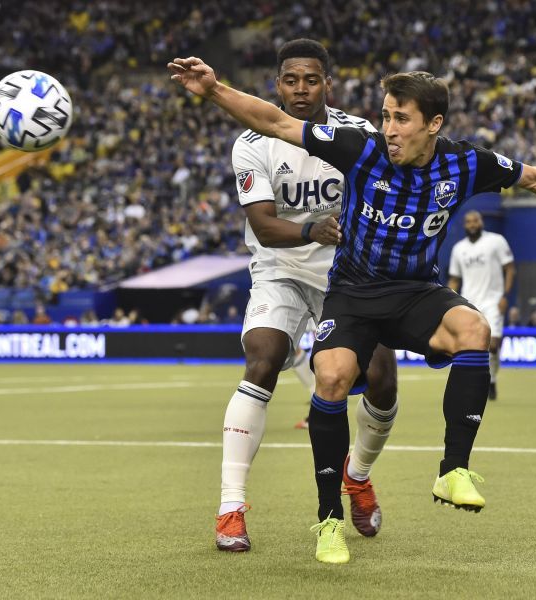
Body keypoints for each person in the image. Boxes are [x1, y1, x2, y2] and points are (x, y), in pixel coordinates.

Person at [168, 54, 536, 564]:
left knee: (474, 329)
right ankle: (328, 521)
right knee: (332, 377)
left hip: (414, 293)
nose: (388, 128)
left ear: (433, 124)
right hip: (354, 293)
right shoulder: (359, 148)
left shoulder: (464, 162)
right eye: (385, 115)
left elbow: (535, 178)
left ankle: (452, 470)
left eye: (400, 119)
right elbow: (274, 121)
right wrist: (213, 90)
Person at [214, 40, 397, 554]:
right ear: (277, 85)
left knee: (381, 381)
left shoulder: (359, 135)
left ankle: (356, 476)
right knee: (263, 359)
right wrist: (313, 229)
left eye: (311, 80)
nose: (300, 89)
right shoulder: (251, 143)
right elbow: (265, 228)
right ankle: (231, 506)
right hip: (281, 268)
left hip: (348, 275)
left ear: (327, 84)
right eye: (290, 80)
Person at [448, 210, 515, 400]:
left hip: (493, 300)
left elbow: (509, 268)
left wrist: (504, 296)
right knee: (470, 346)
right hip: (469, 303)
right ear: (464, 225)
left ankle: (492, 378)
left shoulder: (496, 241)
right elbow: (454, 279)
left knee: (493, 345)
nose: (472, 224)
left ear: (481, 221)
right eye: (468, 221)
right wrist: (449, 300)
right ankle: (478, 384)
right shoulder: (458, 249)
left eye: (475, 221)